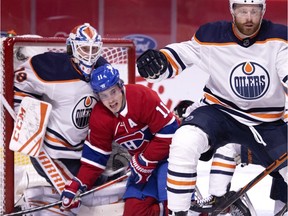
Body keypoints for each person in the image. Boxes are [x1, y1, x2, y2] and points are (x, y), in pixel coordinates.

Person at [136, 0, 287, 215]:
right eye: (243, 11)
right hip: (221, 113)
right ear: (232, 11)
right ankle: (178, 212)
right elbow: (182, 54)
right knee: (185, 141)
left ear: (263, 11)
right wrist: (161, 61)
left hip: (267, 122)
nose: (249, 18)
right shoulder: (212, 35)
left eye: (254, 11)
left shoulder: (279, 38)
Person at [59, 64, 179, 216]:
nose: (111, 100)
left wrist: (145, 159)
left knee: (177, 206)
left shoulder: (141, 96)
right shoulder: (99, 117)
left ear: (121, 86)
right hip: (143, 168)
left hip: (171, 158)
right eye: (104, 95)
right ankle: (167, 210)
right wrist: (78, 184)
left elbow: (171, 132)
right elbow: (95, 159)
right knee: (134, 212)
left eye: (113, 92)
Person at [13, 23, 108, 214]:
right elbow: (18, 83)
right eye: (84, 49)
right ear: (72, 48)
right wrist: (27, 111)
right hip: (52, 154)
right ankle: (33, 207)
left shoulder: (103, 67)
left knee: (99, 188)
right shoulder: (51, 67)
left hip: (84, 151)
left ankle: (35, 198)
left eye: (93, 49)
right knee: (81, 196)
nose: (89, 55)